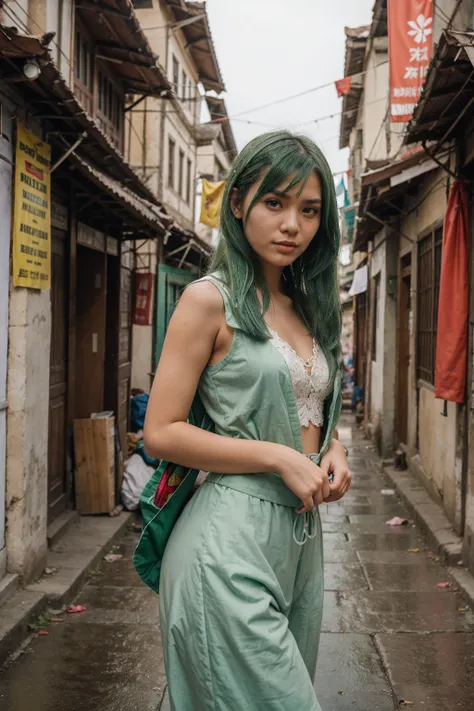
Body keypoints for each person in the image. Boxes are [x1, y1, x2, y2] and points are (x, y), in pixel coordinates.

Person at [144, 130, 352, 711]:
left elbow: (303, 403)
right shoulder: (209, 300)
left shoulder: (307, 306)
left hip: (301, 540)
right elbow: (161, 431)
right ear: (238, 204)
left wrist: (330, 447)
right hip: (228, 535)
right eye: (275, 203)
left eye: (309, 210)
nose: (292, 225)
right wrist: (278, 456)